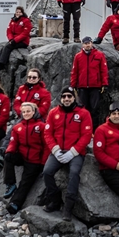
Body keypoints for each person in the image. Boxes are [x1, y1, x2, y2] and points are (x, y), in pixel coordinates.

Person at [42, 86, 93, 221]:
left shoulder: (83, 113)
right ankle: (55, 200)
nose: (66, 99)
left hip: (75, 152)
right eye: (64, 96)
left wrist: (73, 152)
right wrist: (55, 149)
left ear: (74, 98)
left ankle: (68, 207)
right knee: (47, 172)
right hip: (58, 151)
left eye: (69, 96)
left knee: (74, 173)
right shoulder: (53, 112)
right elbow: (47, 133)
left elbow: (86, 135)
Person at [3, 102, 49, 215]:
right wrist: (9, 151)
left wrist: (43, 163)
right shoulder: (17, 127)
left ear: (34, 112)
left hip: (34, 160)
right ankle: (10, 184)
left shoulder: (41, 126)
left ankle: (15, 203)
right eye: (24, 112)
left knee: (25, 183)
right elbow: (13, 143)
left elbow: (46, 146)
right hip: (22, 156)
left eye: (28, 111)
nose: (26, 113)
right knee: (8, 156)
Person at [70, 37, 108, 120]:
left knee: (95, 109)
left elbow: (104, 70)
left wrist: (104, 84)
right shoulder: (78, 56)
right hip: (82, 87)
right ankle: (83, 126)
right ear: (82, 45)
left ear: (92, 43)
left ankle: (94, 127)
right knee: (82, 109)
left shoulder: (99, 55)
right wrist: (73, 85)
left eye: (89, 43)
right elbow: (74, 71)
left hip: (95, 86)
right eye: (86, 43)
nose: (87, 45)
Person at [0, 6, 32, 73]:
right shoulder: (13, 20)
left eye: (20, 12)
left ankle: (2, 64)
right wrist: (11, 39)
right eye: (17, 12)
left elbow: (25, 33)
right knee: (4, 47)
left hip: (23, 41)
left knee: (8, 46)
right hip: (14, 40)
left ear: (22, 13)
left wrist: (15, 40)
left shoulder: (26, 21)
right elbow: (9, 31)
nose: (18, 13)